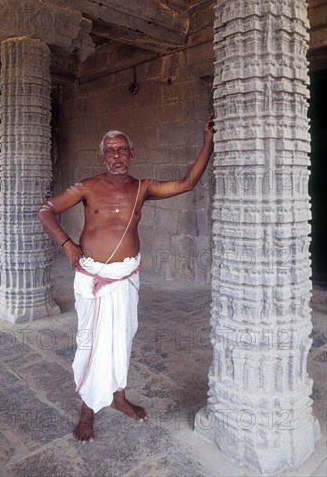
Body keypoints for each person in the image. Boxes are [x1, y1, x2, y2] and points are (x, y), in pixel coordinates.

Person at [37, 114, 214, 442]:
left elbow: (187, 182)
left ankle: (118, 398)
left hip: (125, 277)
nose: (116, 155)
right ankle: (88, 408)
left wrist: (207, 142)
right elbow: (46, 210)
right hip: (94, 278)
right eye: (110, 151)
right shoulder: (87, 187)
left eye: (122, 150)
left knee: (121, 340)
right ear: (103, 156)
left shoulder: (142, 188)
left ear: (131, 154)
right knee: (91, 345)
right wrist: (67, 245)